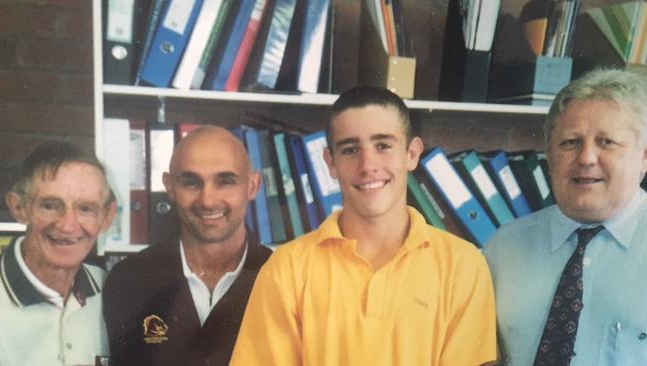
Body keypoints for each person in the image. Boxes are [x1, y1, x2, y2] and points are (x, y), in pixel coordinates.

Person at [231, 86, 497, 365]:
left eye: (383, 145)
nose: (367, 164)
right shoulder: (288, 268)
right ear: (330, 163)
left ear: (412, 153)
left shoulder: (462, 266)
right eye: (350, 149)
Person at [483, 68, 647, 365]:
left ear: (644, 156)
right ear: (548, 155)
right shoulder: (503, 248)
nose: (586, 158)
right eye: (570, 142)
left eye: (606, 142)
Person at [103, 126, 272, 366]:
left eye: (225, 182)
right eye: (191, 183)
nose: (208, 200)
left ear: (253, 186)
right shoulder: (128, 279)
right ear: (169, 186)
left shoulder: (284, 279)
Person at [0, 142, 116, 365]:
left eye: (85, 208)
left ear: (107, 216)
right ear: (19, 207)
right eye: (50, 206)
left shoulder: (112, 292)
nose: (68, 226)